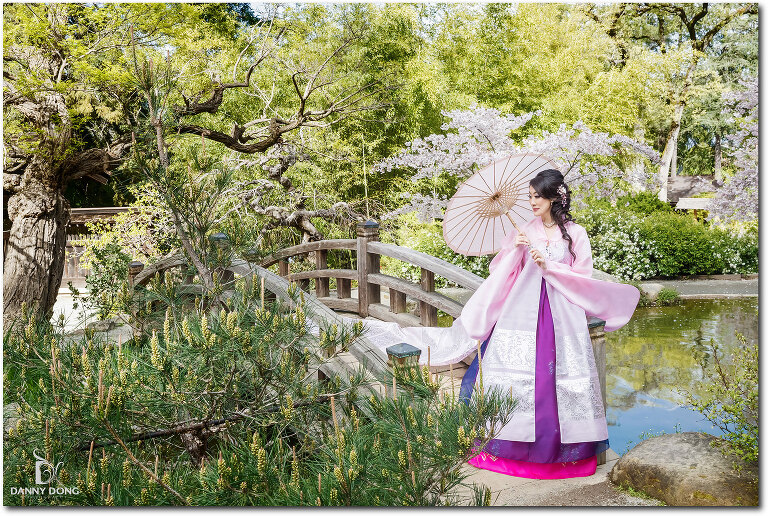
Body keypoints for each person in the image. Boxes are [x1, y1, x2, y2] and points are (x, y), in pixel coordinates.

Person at [358, 169, 640, 480]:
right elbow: (500, 271)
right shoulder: (523, 231)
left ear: (554, 198)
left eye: (537, 196)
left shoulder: (576, 233)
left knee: (562, 381)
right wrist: (515, 250)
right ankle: (511, 450)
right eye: (529, 196)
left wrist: (552, 267)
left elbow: (583, 276)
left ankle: (565, 456)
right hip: (522, 312)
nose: (532, 202)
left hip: (563, 314)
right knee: (515, 381)